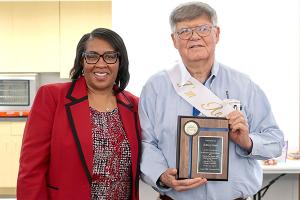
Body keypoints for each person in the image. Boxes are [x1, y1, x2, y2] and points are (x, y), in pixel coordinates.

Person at [139, 2, 284, 200]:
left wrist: (247, 141)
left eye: (203, 29)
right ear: (174, 40)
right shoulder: (155, 88)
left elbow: (275, 141)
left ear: (217, 34)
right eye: (184, 31)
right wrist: (161, 175)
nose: (194, 36)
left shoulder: (244, 85)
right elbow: (146, 143)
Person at [17, 28, 141, 200]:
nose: (101, 63)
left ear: (120, 62)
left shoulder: (134, 105)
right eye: (92, 56)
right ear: (81, 61)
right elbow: (31, 169)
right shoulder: (52, 97)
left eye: (110, 56)